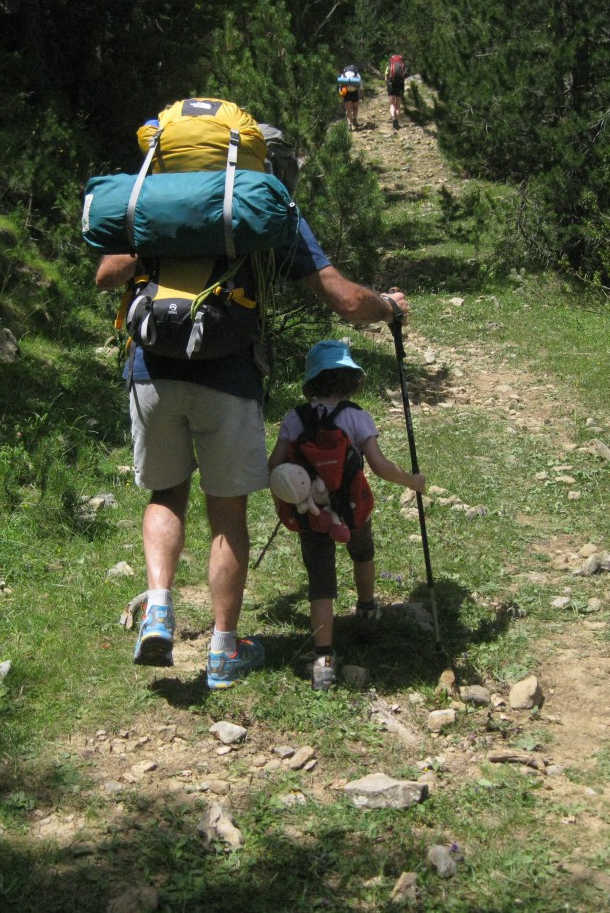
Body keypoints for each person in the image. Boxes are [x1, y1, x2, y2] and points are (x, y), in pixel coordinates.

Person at [96, 219, 408, 692]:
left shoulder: (152, 201)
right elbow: (344, 299)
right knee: (226, 512)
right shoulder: (261, 205)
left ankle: (158, 607)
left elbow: (106, 276)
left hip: (152, 370)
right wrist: (387, 307)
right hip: (228, 378)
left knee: (166, 492)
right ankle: (224, 652)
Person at [268, 340, 426, 690]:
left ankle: (323, 656)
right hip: (352, 508)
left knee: (320, 581)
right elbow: (380, 466)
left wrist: (297, 491)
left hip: (312, 514)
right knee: (363, 553)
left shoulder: (295, 418)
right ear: (351, 379)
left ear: (311, 380)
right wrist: (412, 481)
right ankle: (367, 610)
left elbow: (274, 467)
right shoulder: (357, 417)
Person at [385, 54, 407, 129]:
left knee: (392, 104)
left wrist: (387, 84)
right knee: (398, 105)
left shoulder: (389, 66)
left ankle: (393, 117)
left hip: (391, 85)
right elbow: (406, 76)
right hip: (400, 86)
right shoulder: (403, 66)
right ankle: (397, 121)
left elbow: (386, 77)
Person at [338, 64, 363, 130]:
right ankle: (354, 121)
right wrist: (361, 97)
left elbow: (340, 86)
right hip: (354, 92)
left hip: (346, 92)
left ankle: (349, 124)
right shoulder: (357, 75)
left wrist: (341, 96)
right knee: (355, 107)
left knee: (348, 109)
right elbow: (360, 88)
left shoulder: (343, 75)